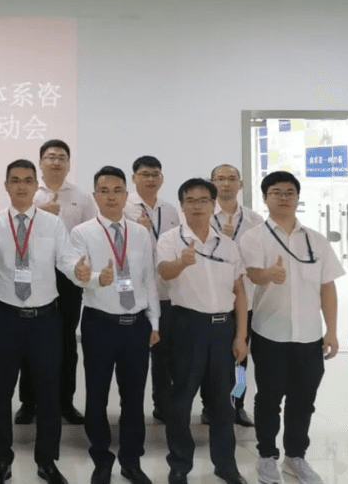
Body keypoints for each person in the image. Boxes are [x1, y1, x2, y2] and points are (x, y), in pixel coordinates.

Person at [0, 159, 90, 484]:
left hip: (45, 320)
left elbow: (66, 260)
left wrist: (80, 271)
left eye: (28, 180)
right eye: (15, 180)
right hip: (5, 317)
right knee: (0, 394)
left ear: (35, 185)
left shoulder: (52, 224)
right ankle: (1, 461)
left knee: (49, 393)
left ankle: (47, 461)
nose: (22, 186)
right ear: (7, 185)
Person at [239, 171, 342, 484]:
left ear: (297, 197)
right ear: (265, 197)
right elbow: (252, 275)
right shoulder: (254, 237)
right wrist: (268, 274)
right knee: (268, 399)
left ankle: (295, 457)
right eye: (276, 192)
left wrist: (331, 331)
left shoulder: (316, 239)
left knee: (303, 400)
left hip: (309, 336)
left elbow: (327, 286)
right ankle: (266, 456)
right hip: (270, 333)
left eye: (289, 192)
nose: (283, 198)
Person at [70, 166, 159, 484]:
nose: (111, 196)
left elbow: (148, 278)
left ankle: (131, 461)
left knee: (133, 397)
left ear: (126, 195)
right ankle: (101, 458)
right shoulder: (81, 233)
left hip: (136, 325)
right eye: (104, 191)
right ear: (95, 196)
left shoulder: (140, 233)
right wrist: (97, 278)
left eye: (117, 190)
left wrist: (154, 321)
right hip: (99, 324)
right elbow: (78, 274)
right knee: (96, 395)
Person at [157, 179, 248, 484]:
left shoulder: (228, 245)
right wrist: (181, 263)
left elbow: (239, 291)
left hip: (223, 330)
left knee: (224, 401)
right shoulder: (170, 239)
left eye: (203, 200)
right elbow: (164, 273)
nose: (197, 206)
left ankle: (226, 465)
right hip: (187, 327)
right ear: (182, 205)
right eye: (190, 200)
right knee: (180, 400)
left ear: (213, 204)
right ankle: (179, 465)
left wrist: (240, 336)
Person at [19, 139, 95, 426]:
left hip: (68, 277)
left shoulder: (81, 197)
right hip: (34, 274)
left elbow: (90, 235)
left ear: (68, 164)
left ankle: (65, 402)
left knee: (65, 340)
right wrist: (41, 215)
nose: (56, 162)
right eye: (50, 157)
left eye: (61, 157)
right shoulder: (28, 194)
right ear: (40, 162)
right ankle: (29, 403)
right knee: (31, 339)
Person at [123, 155, 180, 423]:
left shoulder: (170, 210)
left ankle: (163, 404)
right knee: (133, 355)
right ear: (133, 178)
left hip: (165, 292)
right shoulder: (124, 208)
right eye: (144, 174)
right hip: (134, 292)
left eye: (155, 174)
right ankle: (130, 408)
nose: (150, 179)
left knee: (165, 354)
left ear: (162, 179)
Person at [207, 163, 263, 427]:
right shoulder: (203, 216)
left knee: (240, 359)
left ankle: (238, 404)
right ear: (212, 183)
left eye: (231, 179)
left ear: (240, 184)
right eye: (220, 179)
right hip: (213, 300)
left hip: (245, 301)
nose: (226, 183)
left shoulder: (254, 220)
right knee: (212, 360)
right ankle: (209, 407)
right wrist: (222, 238)